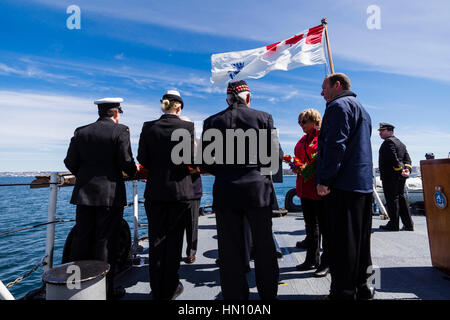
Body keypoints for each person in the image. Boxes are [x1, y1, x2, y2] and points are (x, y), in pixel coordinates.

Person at [201, 80, 280, 300]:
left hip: (226, 191)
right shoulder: (264, 118)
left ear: (227, 100)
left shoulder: (211, 121)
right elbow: (274, 158)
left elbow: (206, 163)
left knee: (229, 251)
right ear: (248, 97)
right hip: (257, 192)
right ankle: (268, 297)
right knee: (264, 246)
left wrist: (226, 172)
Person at [64, 97, 138, 300]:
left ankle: (74, 288)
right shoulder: (120, 130)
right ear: (116, 113)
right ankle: (104, 290)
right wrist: (131, 173)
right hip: (110, 195)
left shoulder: (81, 131)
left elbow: (70, 162)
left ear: (100, 112)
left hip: (84, 194)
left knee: (81, 238)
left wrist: (86, 176)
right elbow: (126, 162)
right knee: (106, 242)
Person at [316, 73, 375, 300]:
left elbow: (335, 146)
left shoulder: (337, 106)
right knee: (362, 243)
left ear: (337, 85)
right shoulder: (363, 110)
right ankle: (365, 287)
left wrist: (325, 179)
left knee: (341, 244)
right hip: (363, 186)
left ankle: (342, 293)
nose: (322, 93)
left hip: (342, 186)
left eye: (324, 88)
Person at [137, 90, 195, 300]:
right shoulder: (187, 127)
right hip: (179, 192)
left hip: (155, 192)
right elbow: (190, 158)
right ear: (179, 108)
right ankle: (170, 288)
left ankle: (157, 289)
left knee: (156, 241)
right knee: (174, 242)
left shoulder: (148, 127)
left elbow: (142, 157)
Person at [293, 108, 329, 278]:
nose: (301, 125)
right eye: (299, 122)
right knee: (311, 227)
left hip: (319, 188)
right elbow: (300, 158)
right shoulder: (303, 138)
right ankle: (311, 259)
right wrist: (295, 165)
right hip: (305, 188)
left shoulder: (323, 137)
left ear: (315, 121)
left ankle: (326, 262)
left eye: (304, 122)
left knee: (325, 227)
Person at [378, 123, 414, 231]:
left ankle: (393, 224)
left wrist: (400, 171)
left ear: (390, 131)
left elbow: (393, 159)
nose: (380, 133)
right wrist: (407, 170)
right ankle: (408, 224)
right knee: (401, 199)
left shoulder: (389, 142)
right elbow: (407, 160)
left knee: (392, 199)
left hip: (390, 176)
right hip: (400, 177)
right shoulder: (401, 143)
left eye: (382, 131)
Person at [179, 116, 203, 264]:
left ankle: (191, 251)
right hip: (176, 188)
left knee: (192, 223)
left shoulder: (198, 142)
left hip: (193, 187)